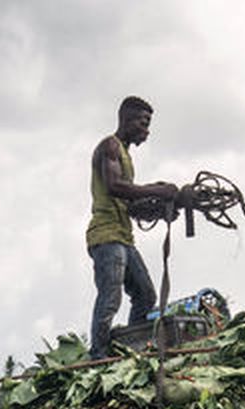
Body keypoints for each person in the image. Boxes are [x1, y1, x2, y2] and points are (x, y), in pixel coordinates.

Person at [86, 95, 181, 360]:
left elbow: (128, 200)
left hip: (124, 237)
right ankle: (99, 355)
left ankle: (132, 346)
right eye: (143, 122)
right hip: (106, 236)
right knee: (111, 295)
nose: (146, 130)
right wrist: (157, 190)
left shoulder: (125, 155)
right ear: (127, 120)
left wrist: (159, 205)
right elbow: (115, 187)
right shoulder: (110, 147)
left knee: (145, 294)